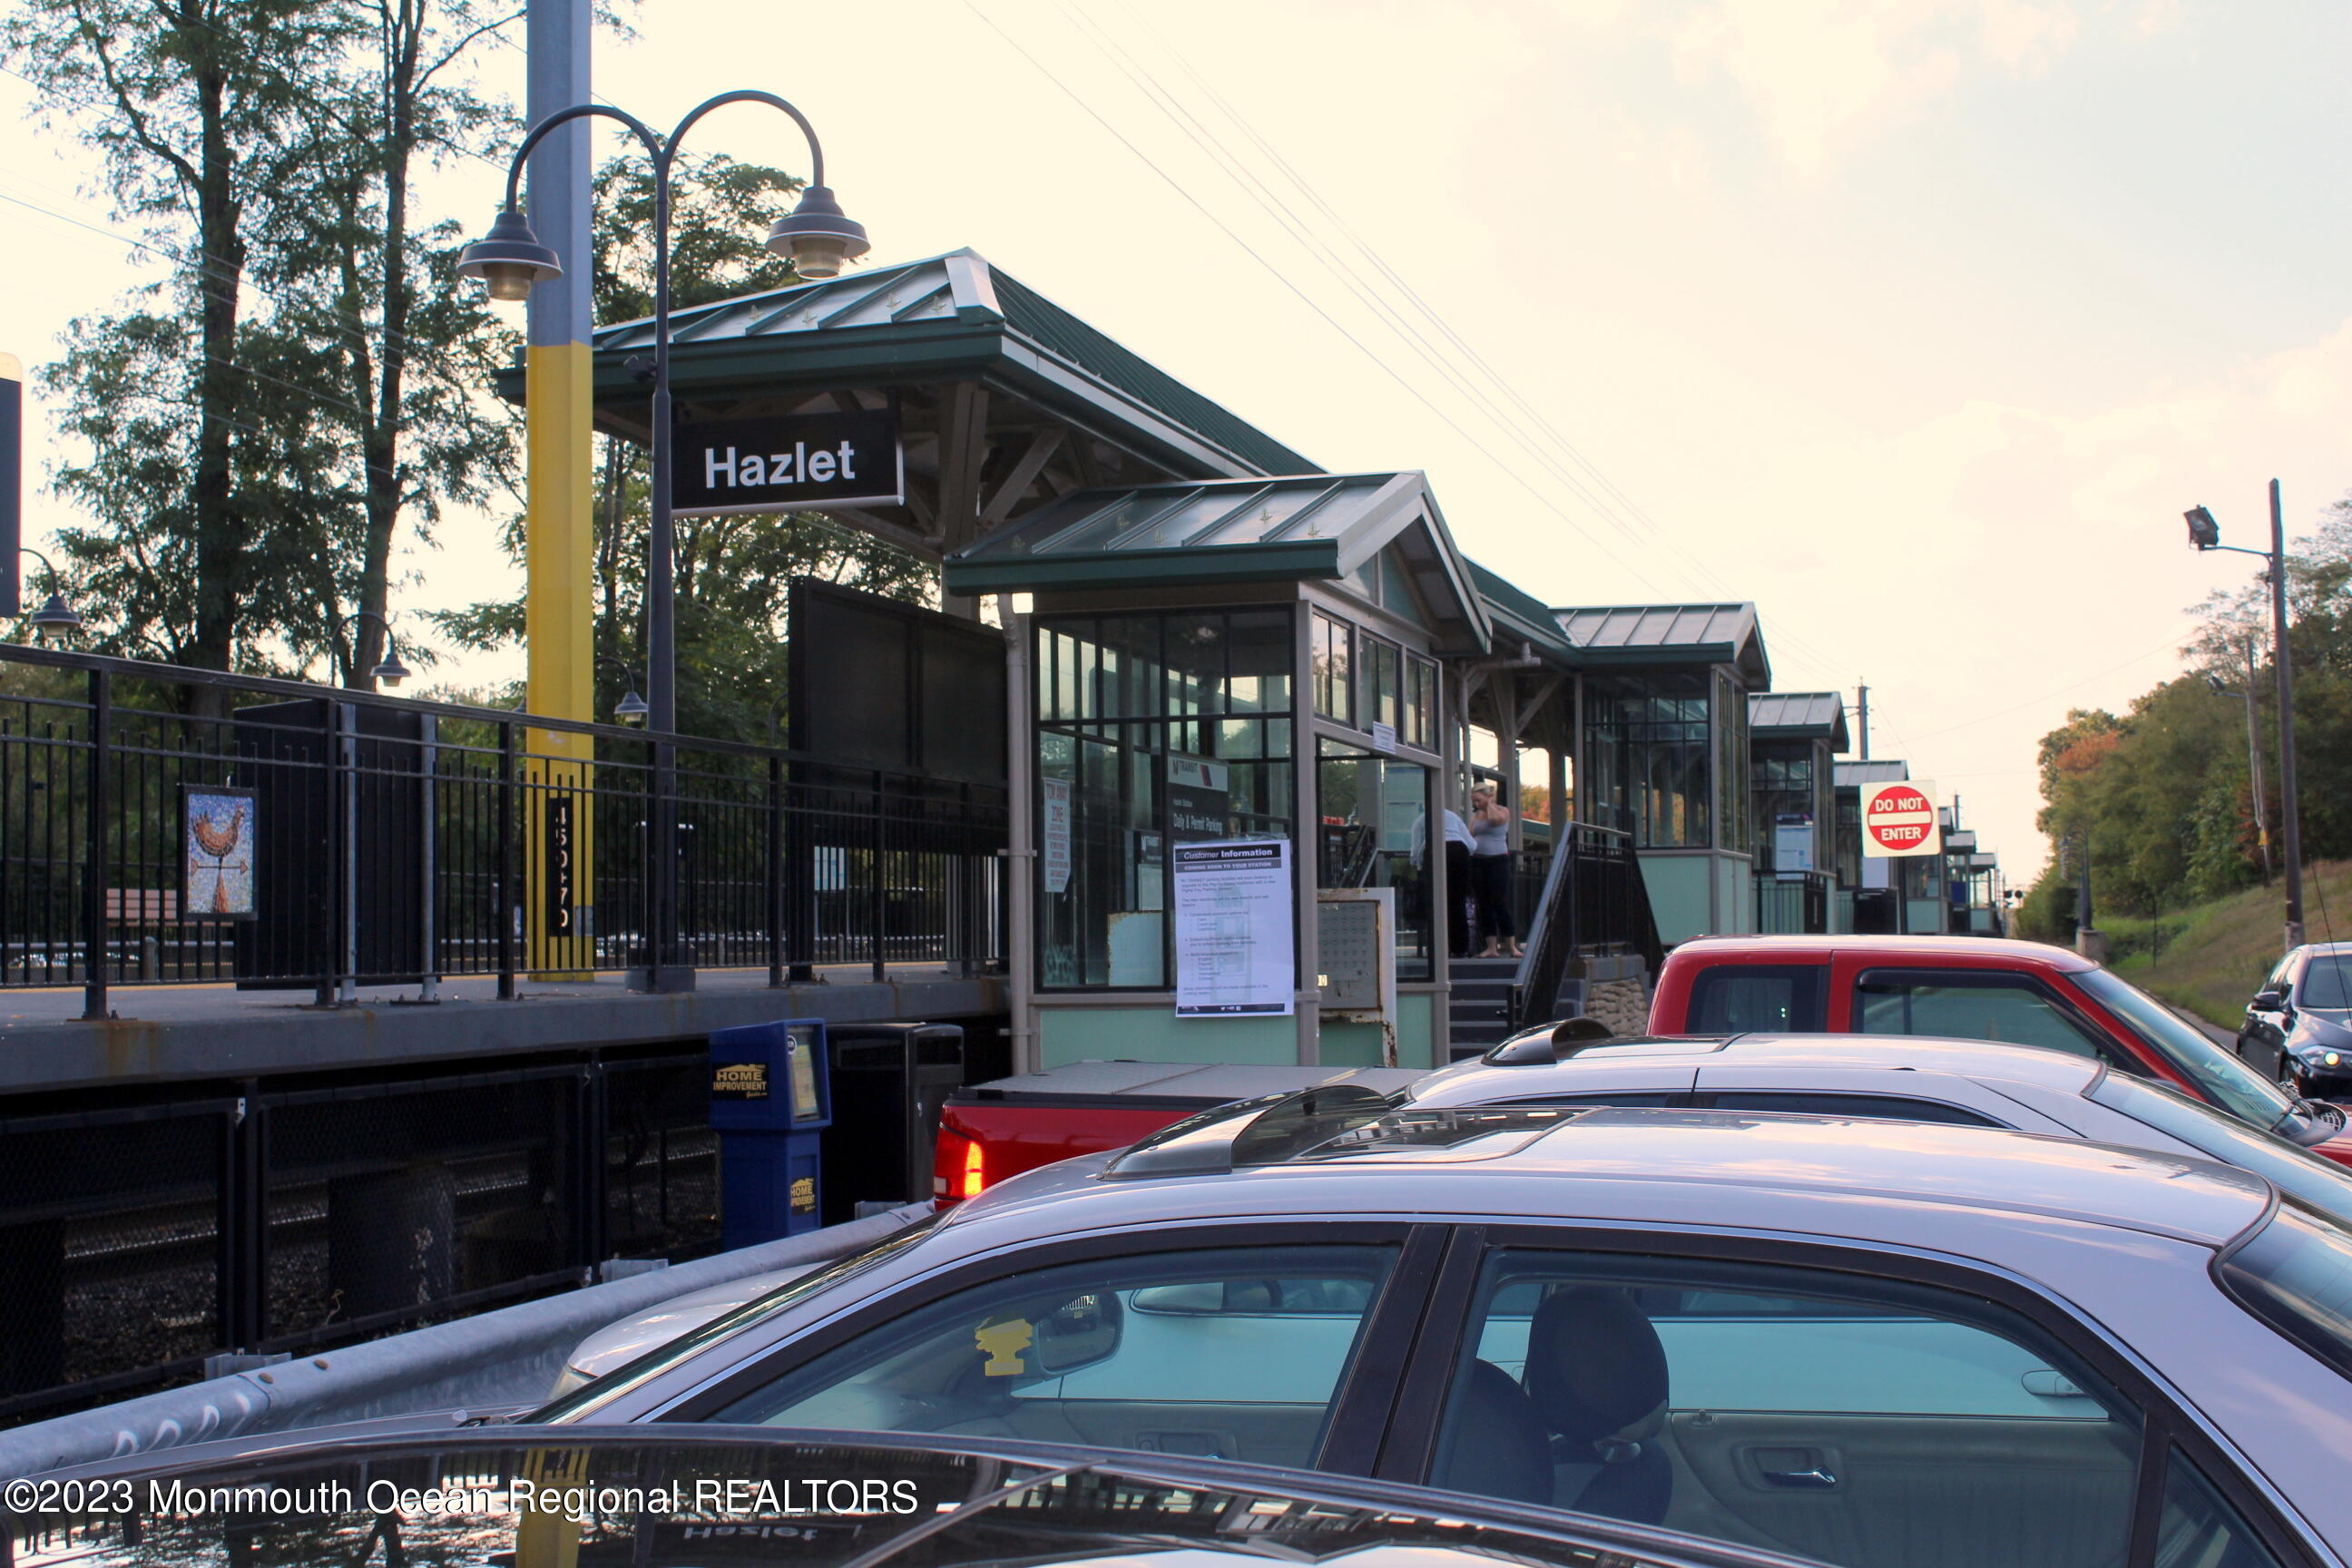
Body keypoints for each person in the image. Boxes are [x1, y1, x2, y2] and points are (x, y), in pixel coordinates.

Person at [1467, 782, 1522, 959]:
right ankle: (1491, 946)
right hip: (1479, 861)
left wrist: (1489, 804)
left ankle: (1511, 946)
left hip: (1498, 861)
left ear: (1488, 797)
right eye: (1474, 801)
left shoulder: (1502, 811)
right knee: (1483, 905)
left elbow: (1494, 820)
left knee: (1499, 902)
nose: (1476, 804)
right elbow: (1470, 834)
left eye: (1479, 800)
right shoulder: (1476, 815)